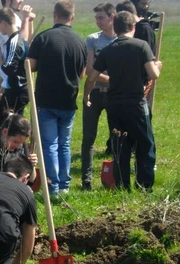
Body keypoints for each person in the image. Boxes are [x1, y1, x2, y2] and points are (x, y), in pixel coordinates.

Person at [84, 11, 162, 190]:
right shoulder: (141, 46)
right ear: (133, 27)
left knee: (120, 146)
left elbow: (92, 77)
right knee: (145, 144)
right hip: (135, 104)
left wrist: (87, 94)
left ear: (116, 27)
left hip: (115, 105)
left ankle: (122, 185)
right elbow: (153, 75)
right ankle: (144, 185)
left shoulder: (108, 50)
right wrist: (157, 66)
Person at [27, 0, 87, 196]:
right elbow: (82, 74)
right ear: (73, 17)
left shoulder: (43, 38)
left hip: (46, 100)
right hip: (69, 100)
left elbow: (31, 67)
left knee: (50, 144)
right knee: (64, 144)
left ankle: (52, 186)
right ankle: (64, 185)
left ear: (54, 15)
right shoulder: (80, 41)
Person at [80, 3, 117, 190]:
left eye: (101, 17)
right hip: (94, 93)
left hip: (114, 96)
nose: (98, 21)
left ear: (112, 17)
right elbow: (89, 69)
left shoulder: (121, 40)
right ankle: (86, 179)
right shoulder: (93, 39)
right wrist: (112, 79)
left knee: (117, 136)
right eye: (96, 18)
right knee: (88, 138)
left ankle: (116, 176)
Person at [0, 7, 32, 128]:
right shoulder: (14, 40)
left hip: (18, 91)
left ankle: (17, 147)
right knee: (5, 124)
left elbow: (10, 68)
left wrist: (0, 61)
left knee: (8, 126)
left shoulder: (14, 42)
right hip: (13, 88)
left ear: (4, 23)